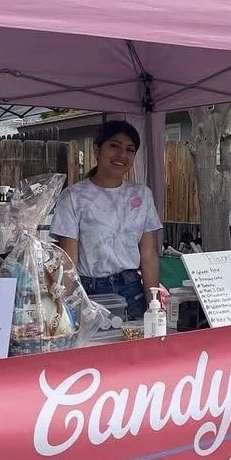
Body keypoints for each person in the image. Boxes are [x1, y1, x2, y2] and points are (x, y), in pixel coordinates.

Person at [50, 120, 162, 320]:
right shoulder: (73, 196)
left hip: (131, 291)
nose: (122, 155)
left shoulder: (142, 195)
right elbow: (69, 261)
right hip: (89, 291)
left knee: (136, 349)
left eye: (130, 150)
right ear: (97, 150)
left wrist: (155, 306)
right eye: (114, 146)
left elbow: (148, 255)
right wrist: (63, 307)